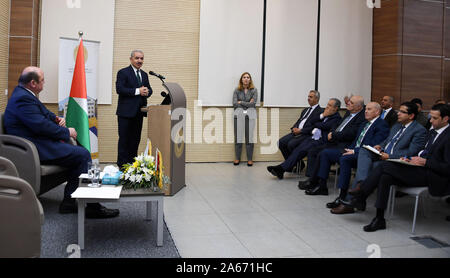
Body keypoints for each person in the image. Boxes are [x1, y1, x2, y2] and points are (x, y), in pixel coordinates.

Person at [3, 66, 119, 218]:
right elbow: (40, 126)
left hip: (38, 141)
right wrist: (67, 132)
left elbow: (44, 114)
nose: (44, 83)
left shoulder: (24, 94)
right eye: (42, 80)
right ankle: (90, 206)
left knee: (79, 152)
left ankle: (70, 202)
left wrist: (57, 119)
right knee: (82, 155)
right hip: (31, 148)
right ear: (33, 83)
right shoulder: (22, 99)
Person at [348, 103, 450, 232]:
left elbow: (447, 168)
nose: (430, 120)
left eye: (435, 118)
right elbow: (421, 152)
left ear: (445, 119)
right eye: (431, 117)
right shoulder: (432, 131)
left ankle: (361, 195)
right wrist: (410, 159)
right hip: (417, 167)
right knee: (385, 177)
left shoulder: (447, 136)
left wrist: (425, 162)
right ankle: (379, 218)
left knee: (385, 166)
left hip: (433, 175)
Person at [330, 102, 427, 214]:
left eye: (402, 112)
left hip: (396, 161)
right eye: (398, 111)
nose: (398, 114)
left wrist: (389, 156)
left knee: (372, 167)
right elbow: (387, 141)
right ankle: (361, 186)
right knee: (364, 150)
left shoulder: (419, 130)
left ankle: (354, 198)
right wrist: (380, 146)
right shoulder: (396, 126)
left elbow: (412, 152)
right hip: (382, 155)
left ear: (411, 116)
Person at [304, 102, 390, 196]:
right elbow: (356, 140)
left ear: (377, 112)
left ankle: (343, 194)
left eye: (369, 109)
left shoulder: (382, 125)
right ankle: (322, 186)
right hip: (352, 149)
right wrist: (350, 149)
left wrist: (354, 151)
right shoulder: (364, 123)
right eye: (365, 109)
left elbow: (373, 146)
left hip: (364, 154)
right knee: (325, 153)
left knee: (345, 159)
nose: (366, 111)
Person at [298, 95, 366, 190]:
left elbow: (351, 134)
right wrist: (332, 132)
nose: (348, 103)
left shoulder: (361, 118)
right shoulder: (349, 113)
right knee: (314, 150)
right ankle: (313, 179)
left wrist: (334, 135)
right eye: (349, 101)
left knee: (323, 153)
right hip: (335, 141)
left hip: (344, 144)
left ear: (359, 107)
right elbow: (338, 125)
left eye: (351, 103)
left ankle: (317, 183)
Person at [267, 98, 341, 179]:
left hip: (321, 141)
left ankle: (281, 169)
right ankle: (281, 169)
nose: (327, 107)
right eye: (327, 104)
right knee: (298, 150)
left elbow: (323, 126)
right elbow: (311, 121)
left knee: (301, 149)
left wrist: (317, 123)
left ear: (336, 108)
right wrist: (322, 116)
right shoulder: (324, 114)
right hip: (313, 138)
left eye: (330, 105)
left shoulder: (337, 118)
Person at [116, 50, 152, 168]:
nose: (139, 61)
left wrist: (147, 92)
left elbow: (149, 90)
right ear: (131, 59)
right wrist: (138, 91)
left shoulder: (145, 74)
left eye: (141, 58)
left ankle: (133, 165)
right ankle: (122, 166)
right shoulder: (123, 72)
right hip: (125, 113)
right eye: (137, 58)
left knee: (135, 140)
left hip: (139, 113)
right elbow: (120, 89)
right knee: (124, 140)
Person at [278, 90, 322, 162]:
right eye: (308, 96)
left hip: (306, 134)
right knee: (281, 142)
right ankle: (292, 164)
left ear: (316, 99)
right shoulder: (305, 110)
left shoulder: (320, 111)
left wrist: (301, 130)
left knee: (291, 144)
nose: (308, 98)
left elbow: (314, 126)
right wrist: (294, 128)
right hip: (296, 131)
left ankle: (295, 164)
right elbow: (299, 121)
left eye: (311, 97)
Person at [232, 72, 258, 166]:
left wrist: (241, 102)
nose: (246, 79)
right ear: (241, 79)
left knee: (249, 138)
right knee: (238, 138)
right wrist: (248, 103)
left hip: (250, 117)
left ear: (250, 79)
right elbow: (234, 104)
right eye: (244, 77)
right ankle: (237, 158)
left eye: (248, 77)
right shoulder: (237, 90)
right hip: (238, 116)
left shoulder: (254, 90)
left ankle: (250, 159)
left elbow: (253, 104)